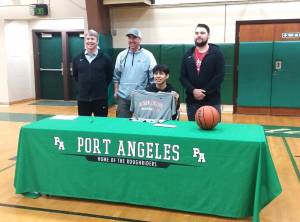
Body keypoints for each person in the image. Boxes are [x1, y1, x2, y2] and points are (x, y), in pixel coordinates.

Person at [180, 23, 224, 121]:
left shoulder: (217, 53)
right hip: (192, 101)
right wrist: (193, 90)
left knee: (213, 132)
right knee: (193, 132)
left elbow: (219, 76)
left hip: (212, 100)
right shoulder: (188, 54)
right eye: (197, 33)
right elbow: (183, 77)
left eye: (202, 33)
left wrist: (204, 91)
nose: (199, 35)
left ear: (208, 35)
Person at [113, 28, 157, 118]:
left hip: (142, 98)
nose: (131, 40)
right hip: (123, 98)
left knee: (141, 126)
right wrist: (116, 91)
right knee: (122, 126)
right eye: (129, 38)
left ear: (140, 39)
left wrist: (150, 94)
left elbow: (154, 78)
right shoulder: (121, 55)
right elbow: (116, 75)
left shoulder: (148, 55)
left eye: (134, 38)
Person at [72, 29, 113, 117]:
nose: (90, 41)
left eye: (92, 39)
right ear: (85, 41)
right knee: (83, 125)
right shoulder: (77, 58)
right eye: (88, 39)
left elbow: (109, 76)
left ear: (97, 41)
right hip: (83, 99)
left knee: (101, 125)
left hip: (100, 98)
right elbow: (75, 76)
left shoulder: (106, 58)